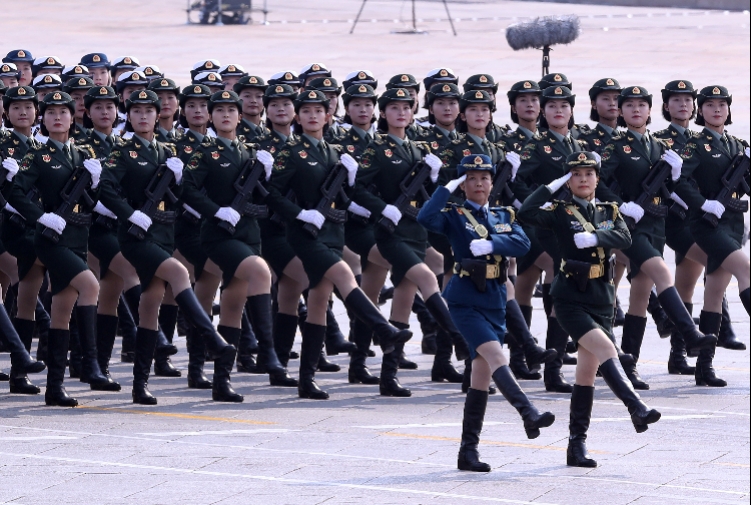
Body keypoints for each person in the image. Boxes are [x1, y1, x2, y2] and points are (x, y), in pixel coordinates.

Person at [520, 151, 664, 468]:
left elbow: (625, 237)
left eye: (588, 174)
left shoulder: (608, 209)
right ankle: (635, 406)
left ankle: (576, 445)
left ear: (597, 178)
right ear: (568, 180)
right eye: (575, 174)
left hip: (601, 296)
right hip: (570, 295)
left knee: (585, 374)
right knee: (606, 349)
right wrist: (549, 187)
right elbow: (526, 215)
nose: (583, 179)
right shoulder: (558, 211)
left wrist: (596, 236)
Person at [265, 88, 411, 399]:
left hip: (333, 231)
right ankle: (384, 330)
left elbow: (349, 195)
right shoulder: (290, 150)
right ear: (297, 117)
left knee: (319, 299)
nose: (313, 116)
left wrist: (355, 180)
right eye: (306, 111)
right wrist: (300, 214)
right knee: (344, 275)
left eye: (319, 111)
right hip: (304, 234)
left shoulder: (333, 153)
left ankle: (306, 379)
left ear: (328, 116)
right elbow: (272, 193)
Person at [98, 89, 237, 405]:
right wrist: (128, 212)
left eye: (149, 111)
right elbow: (105, 187)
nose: (143, 117)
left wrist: (179, 177)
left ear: (159, 115)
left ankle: (139, 385)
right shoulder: (122, 152)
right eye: (136, 112)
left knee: (150, 303)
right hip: (135, 236)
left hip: (164, 232)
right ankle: (211, 338)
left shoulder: (168, 152)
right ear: (128, 116)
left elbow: (186, 192)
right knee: (177, 272)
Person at [418, 154, 554, 472]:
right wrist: (444, 188)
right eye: (471, 178)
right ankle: (527, 411)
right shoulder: (453, 215)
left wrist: (493, 243)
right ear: (463, 184)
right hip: (465, 300)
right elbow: (425, 218)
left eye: (484, 178)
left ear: (492, 183)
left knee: (479, 379)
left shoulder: (503, 214)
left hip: (494, 300)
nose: (479, 184)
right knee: (496, 358)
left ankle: (468, 452)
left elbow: (521, 243)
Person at [354, 87, 472, 397]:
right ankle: (458, 337)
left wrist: (435, 178)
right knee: (424, 277)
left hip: (417, 231)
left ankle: (388, 376)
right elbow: (358, 189)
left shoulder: (420, 149)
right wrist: (384, 208)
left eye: (406, 108)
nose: (401, 113)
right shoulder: (377, 147)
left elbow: (432, 195)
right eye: (393, 108)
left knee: (404, 298)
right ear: (384, 114)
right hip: (391, 232)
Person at [599, 86, 718, 389]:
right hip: (630, 226)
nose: (636, 111)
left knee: (640, 294)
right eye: (629, 106)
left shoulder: (660, 148)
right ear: (622, 112)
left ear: (651, 111)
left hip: (656, 225)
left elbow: (677, 188)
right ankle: (689, 333)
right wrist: (619, 203)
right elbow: (594, 181)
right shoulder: (615, 145)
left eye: (641, 105)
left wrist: (677, 176)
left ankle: (630, 366)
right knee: (662, 272)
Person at [7, 91, 118, 406]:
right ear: (44, 119)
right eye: (51, 112)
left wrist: (97, 186)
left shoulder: (83, 155)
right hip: (48, 238)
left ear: (73, 117)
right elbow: (13, 190)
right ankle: (92, 364)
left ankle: (54, 387)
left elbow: (93, 203)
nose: (58, 117)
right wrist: (39, 216)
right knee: (89, 285)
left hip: (76, 238)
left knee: (61, 309)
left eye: (64, 112)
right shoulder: (38, 154)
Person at [675, 85, 750, 386]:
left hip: (732, 223)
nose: (717, 110)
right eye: (710, 105)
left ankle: (703, 368)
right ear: (700, 110)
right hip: (707, 225)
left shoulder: (738, 145)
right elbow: (678, 180)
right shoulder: (695, 144)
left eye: (722, 105)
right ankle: (702, 365)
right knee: (746, 269)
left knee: (714, 292)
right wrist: (702, 202)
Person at [82, 84, 141, 384]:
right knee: (127, 270)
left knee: (111, 290)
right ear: (88, 112)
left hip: (117, 225)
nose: (105, 112)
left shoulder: (121, 144)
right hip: (92, 226)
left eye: (110, 107)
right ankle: (144, 329)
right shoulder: (82, 145)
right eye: (98, 107)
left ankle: (98, 365)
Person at [234, 75, 269, 141]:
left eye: (259, 96)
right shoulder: (232, 131)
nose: (253, 100)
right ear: (238, 99)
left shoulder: (270, 131)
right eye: (247, 96)